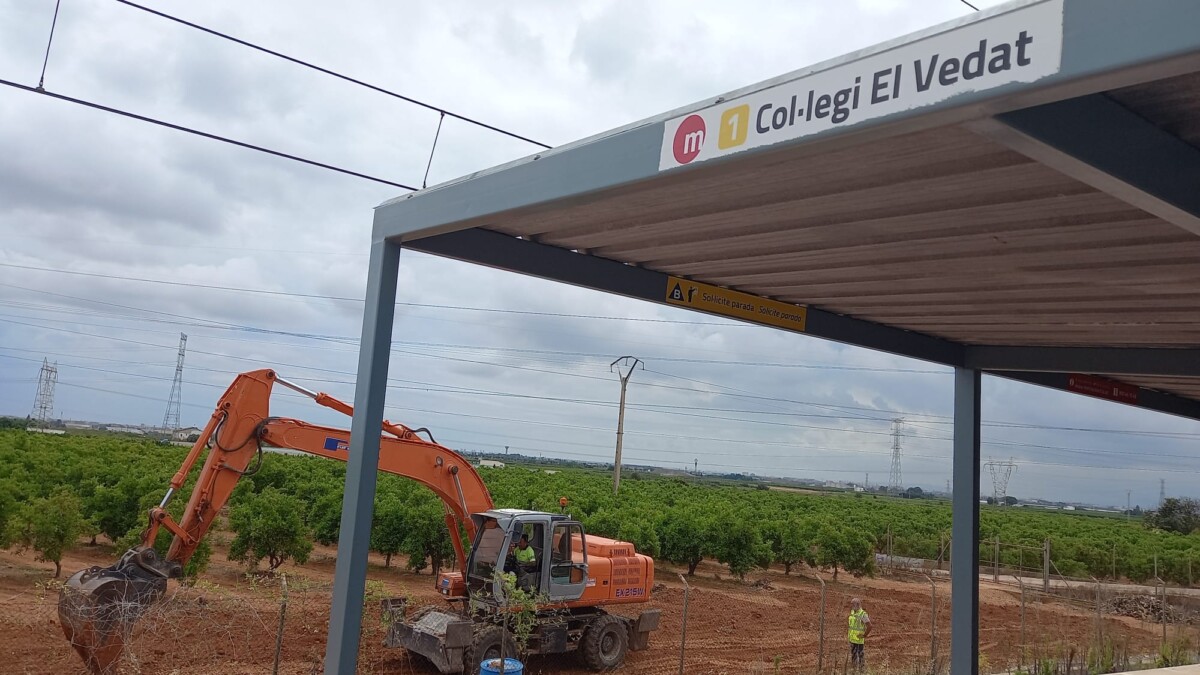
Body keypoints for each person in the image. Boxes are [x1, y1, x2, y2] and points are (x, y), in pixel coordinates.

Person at [848, 597, 871, 671]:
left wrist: (864, 635)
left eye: (852, 604)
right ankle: (854, 670)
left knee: (860, 656)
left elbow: (869, 626)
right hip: (852, 639)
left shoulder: (863, 614)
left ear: (857, 604)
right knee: (853, 656)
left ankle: (861, 671)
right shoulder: (852, 612)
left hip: (858, 640)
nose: (851, 606)